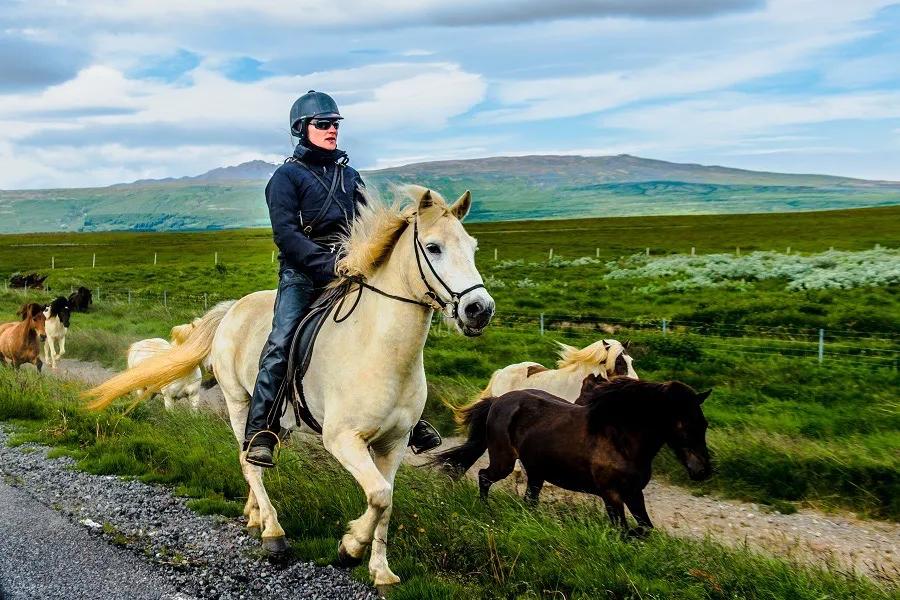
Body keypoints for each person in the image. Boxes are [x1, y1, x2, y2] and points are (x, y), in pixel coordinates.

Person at [244, 90, 442, 467]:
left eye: (335, 124)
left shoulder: (350, 176)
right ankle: (262, 428)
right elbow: (286, 235)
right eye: (323, 124)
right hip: (303, 274)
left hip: (353, 268)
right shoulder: (286, 178)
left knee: (394, 330)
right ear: (302, 129)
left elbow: (371, 225)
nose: (332, 129)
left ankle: (408, 418)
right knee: (281, 339)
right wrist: (328, 263)